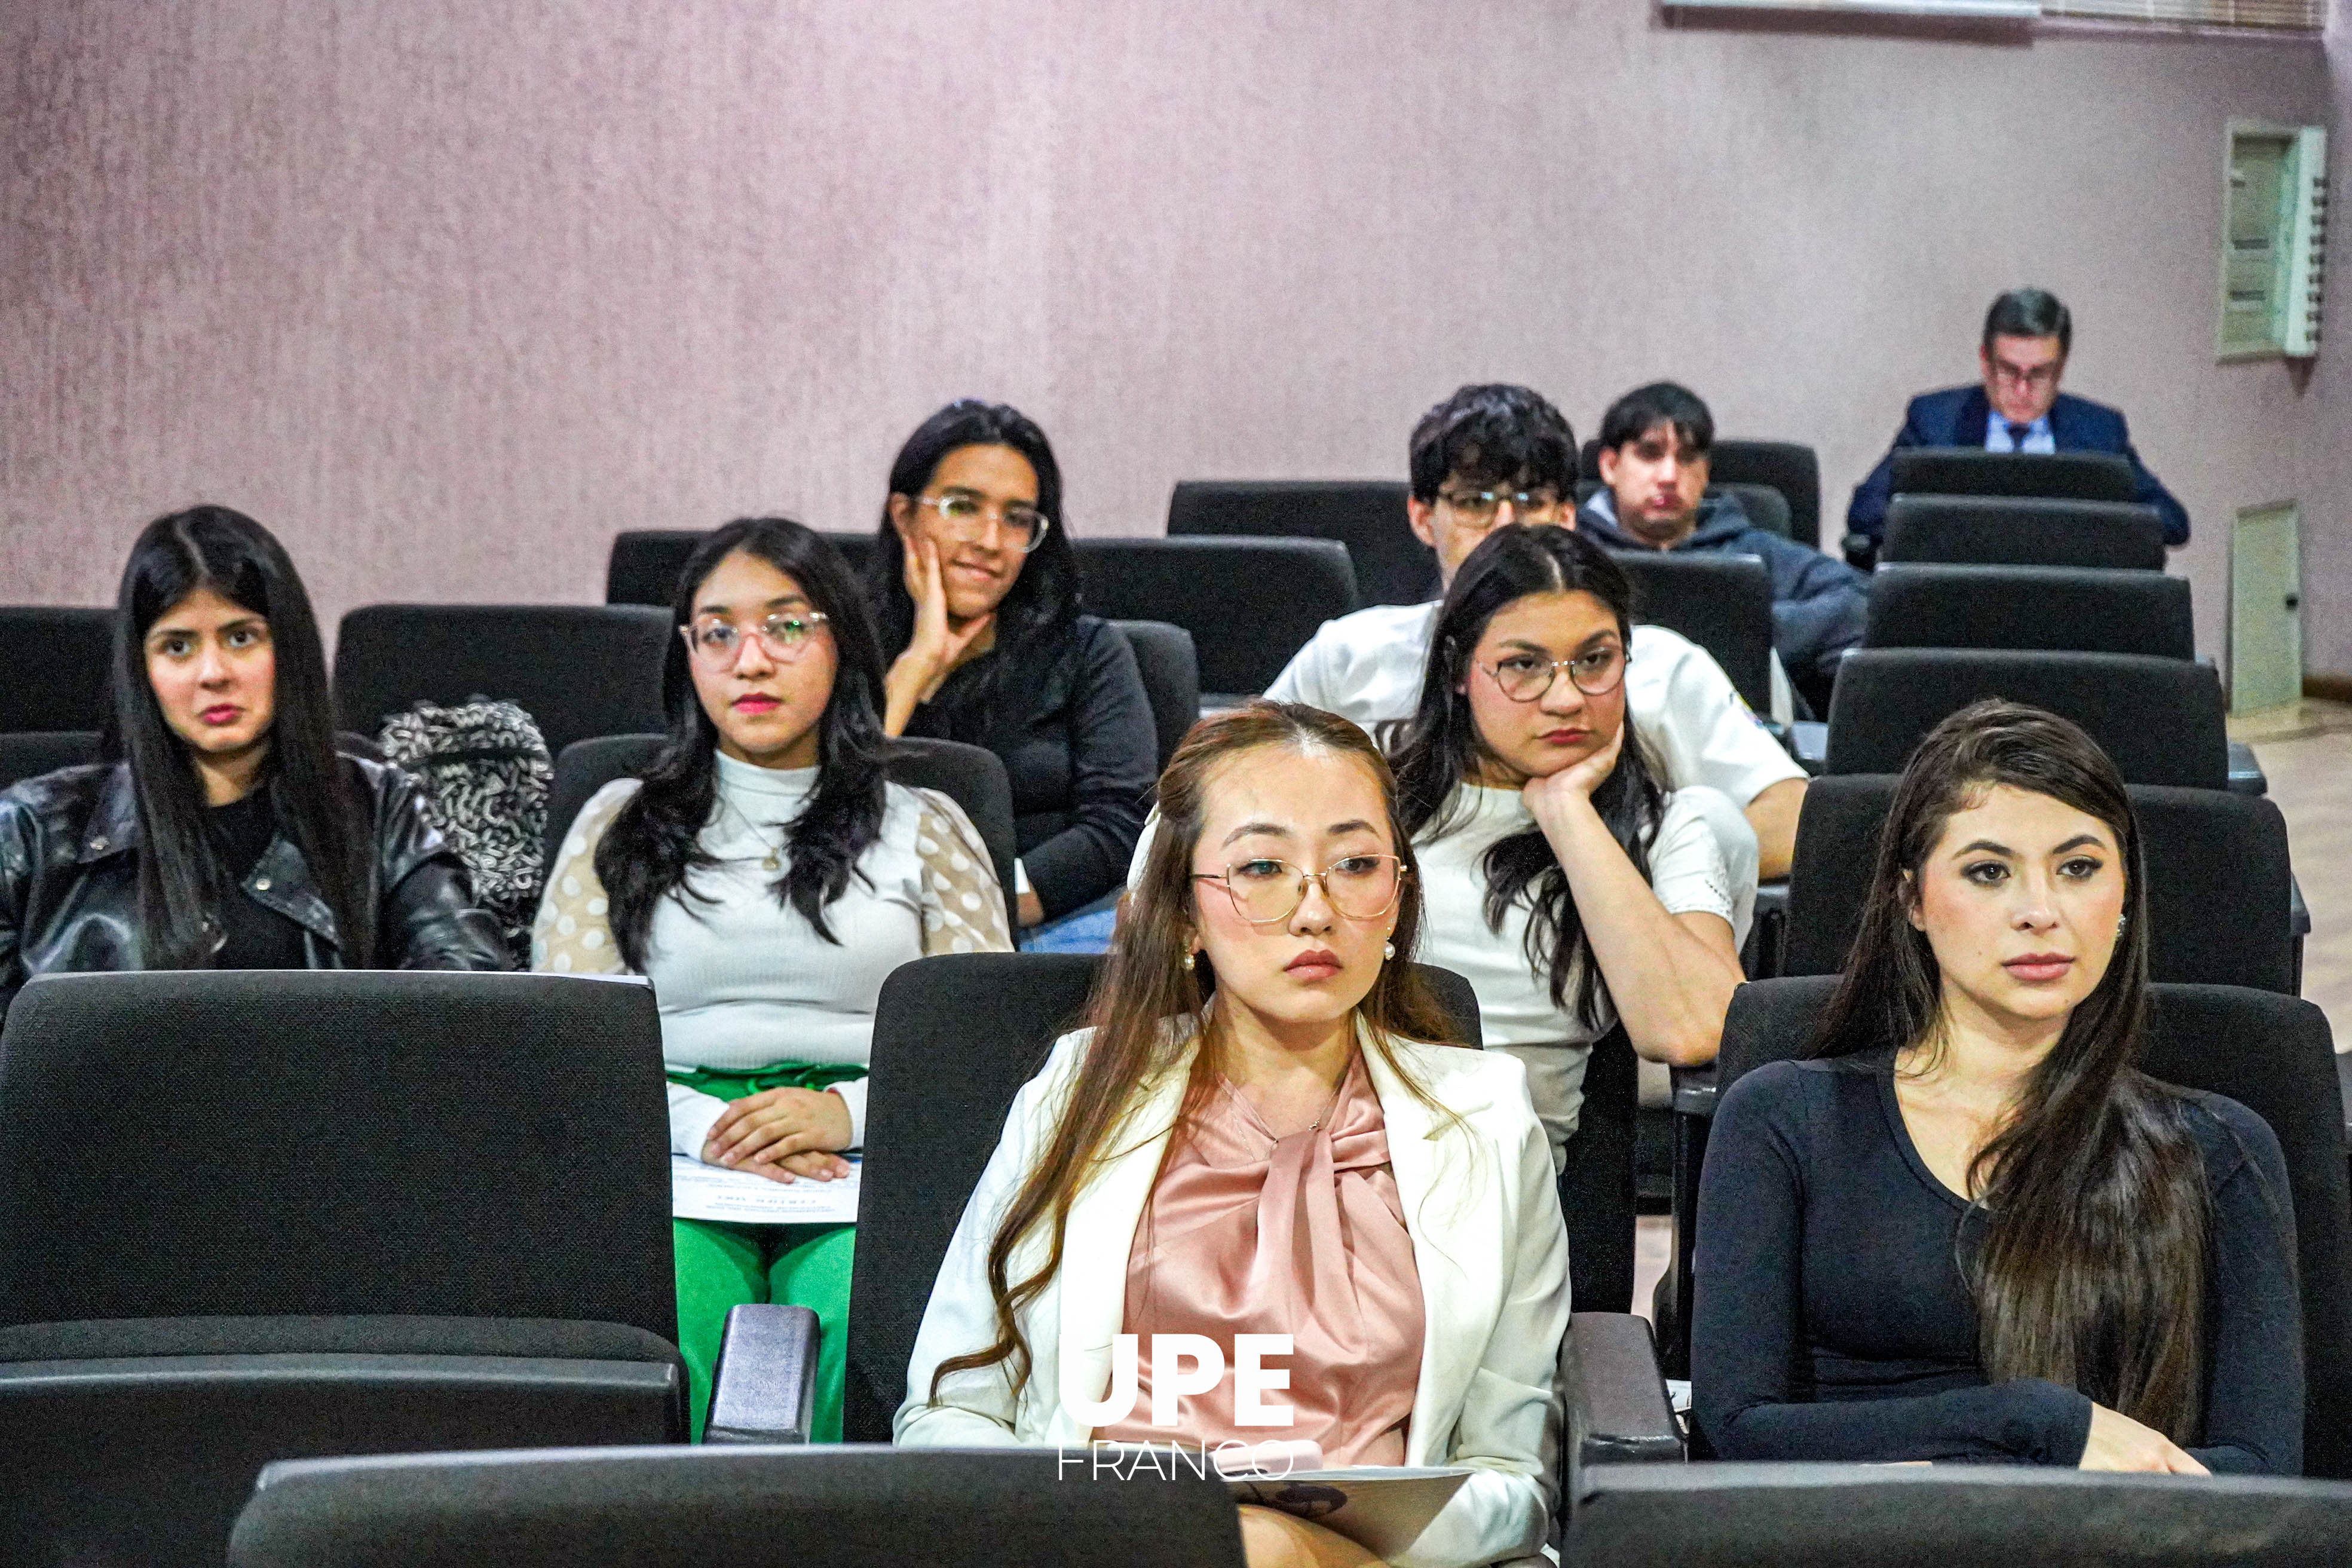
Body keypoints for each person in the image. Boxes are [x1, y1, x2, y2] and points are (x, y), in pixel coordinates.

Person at [900, 702, 1570, 1568]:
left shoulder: (1485, 1114)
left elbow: (1512, 1478)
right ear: (1183, 916)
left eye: (1356, 865)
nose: (1316, 910)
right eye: (1262, 867)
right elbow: (948, 1416)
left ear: (1397, 898)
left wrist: (1303, 1557)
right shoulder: (1078, 1090)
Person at [1694, 701, 2301, 1472]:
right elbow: (1738, 1428)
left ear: (2123, 901)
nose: (2040, 913)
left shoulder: (2220, 1149)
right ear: (1912, 900)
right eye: (1989, 873)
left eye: (2078, 869)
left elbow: (2260, 1471)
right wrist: (2034, 1423)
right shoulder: (1785, 1117)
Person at [532, 516, 1011, 1441]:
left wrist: (845, 1114)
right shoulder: (613, 821)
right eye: (719, 631)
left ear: (841, 640)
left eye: (787, 627)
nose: (751, 660)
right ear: (688, 654)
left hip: (873, 1148)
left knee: (864, 1329)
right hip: (665, 1148)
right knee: (667, 1333)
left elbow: (976, 1051)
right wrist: (704, 1126)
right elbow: (565, 1046)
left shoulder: (927, 824)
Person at [1391, 525, 1749, 1311]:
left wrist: (1565, 812)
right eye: (1522, 665)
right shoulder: (1370, 812)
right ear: (1457, 670)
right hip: (1334, 1182)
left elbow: (1696, 1028)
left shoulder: (1670, 828)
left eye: (1595, 661)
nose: (1564, 696)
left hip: (1498, 1230)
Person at [1267, 382, 1809, 881]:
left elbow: (1792, 816)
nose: (1506, 526)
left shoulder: (1662, 663)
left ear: (1567, 516)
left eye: (1531, 502)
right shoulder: (1348, 653)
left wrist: (1622, 875)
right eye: (1475, 502)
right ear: (1422, 517)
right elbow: (1231, 789)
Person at [0, 506, 507, 1009]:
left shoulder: (381, 806)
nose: (213, 673)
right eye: (178, 647)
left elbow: (468, 996)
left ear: (289, 649)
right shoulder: (31, 831)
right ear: (142, 669)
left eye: (241, 638)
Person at [867, 400, 1156, 950]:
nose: (991, 541)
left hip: (1051, 924)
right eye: (963, 507)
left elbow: (1121, 826)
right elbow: (820, 810)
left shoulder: (1087, 650)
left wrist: (977, 908)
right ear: (905, 516)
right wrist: (915, 668)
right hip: (878, 920)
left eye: (1017, 518)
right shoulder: (843, 650)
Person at [1579, 381, 1866, 719]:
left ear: (1706, 472)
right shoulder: (1574, 551)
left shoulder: (1749, 550)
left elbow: (1860, 601)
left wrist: (1749, 633)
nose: (1669, 476)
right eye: (1650, 454)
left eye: (1686, 458)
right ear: (1610, 466)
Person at [1846, 288, 2191, 550]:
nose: (2023, 390)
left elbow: (2172, 522)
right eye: (2009, 371)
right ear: (1985, 361)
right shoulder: (1936, 422)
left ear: (2062, 367)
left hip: (2065, 600)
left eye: (2039, 374)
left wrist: (2077, 530)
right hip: (1961, 596)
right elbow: (1866, 512)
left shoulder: (2098, 431)